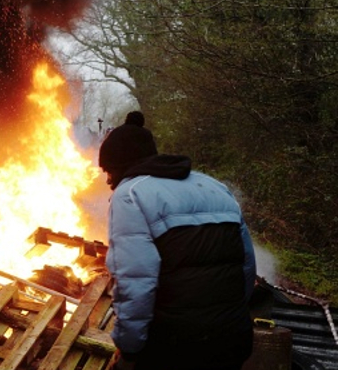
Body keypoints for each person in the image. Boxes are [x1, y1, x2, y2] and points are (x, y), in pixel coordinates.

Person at [99, 112, 256, 370]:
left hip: (175, 348)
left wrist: (128, 347)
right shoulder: (214, 186)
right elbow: (247, 268)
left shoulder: (131, 195)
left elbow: (136, 282)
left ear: (122, 165)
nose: (107, 180)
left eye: (108, 170)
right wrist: (228, 317)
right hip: (232, 339)